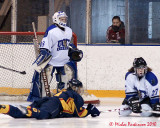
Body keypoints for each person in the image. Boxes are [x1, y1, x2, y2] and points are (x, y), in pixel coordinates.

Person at [27, 11, 83, 102]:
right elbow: (45, 46)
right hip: (51, 61)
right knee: (44, 81)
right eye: (61, 19)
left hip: (64, 60)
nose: (64, 20)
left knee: (65, 81)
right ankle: (41, 100)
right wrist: (43, 55)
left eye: (65, 19)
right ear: (56, 19)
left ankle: (62, 100)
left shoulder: (69, 30)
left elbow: (66, 44)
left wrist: (72, 49)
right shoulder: (51, 30)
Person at [0, 79, 100, 119]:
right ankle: (29, 110)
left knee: (22, 115)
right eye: (79, 88)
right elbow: (79, 113)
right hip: (55, 105)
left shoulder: (65, 91)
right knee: (44, 114)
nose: (80, 91)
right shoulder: (76, 96)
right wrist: (89, 111)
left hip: (46, 100)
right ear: (76, 88)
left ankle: (5, 108)